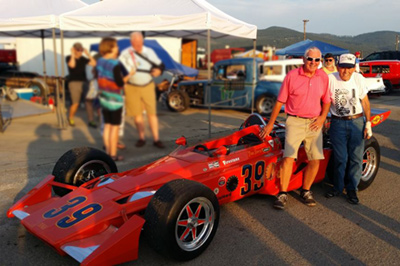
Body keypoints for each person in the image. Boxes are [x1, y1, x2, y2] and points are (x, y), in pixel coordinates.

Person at [260, 47, 331, 210]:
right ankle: (283, 193)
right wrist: (271, 123)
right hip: (295, 121)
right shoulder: (292, 76)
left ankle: (305, 191)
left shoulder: (323, 77)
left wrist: (322, 118)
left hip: (314, 122)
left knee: (315, 159)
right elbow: (280, 101)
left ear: (320, 62)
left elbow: (327, 100)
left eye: (316, 60)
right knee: (288, 158)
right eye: (310, 59)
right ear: (303, 60)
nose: (313, 62)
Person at [325, 53, 372, 204]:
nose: (346, 71)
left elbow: (365, 102)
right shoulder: (330, 79)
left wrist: (368, 123)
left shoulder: (358, 78)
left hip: (356, 121)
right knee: (341, 158)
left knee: (356, 158)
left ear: (354, 68)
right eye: (343, 67)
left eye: (349, 68)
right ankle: (337, 188)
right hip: (337, 123)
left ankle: (352, 189)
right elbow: (324, 101)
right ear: (338, 66)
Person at [119, 32, 165, 148]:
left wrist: (159, 71)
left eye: (140, 43)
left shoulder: (149, 52)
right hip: (131, 87)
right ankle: (141, 138)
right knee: (137, 114)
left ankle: (156, 139)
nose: (138, 46)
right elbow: (119, 69)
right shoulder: (125, 53)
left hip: (147, 85)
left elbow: (161, 65)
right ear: (131, 42)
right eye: (136, 43)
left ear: (142, 41)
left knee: (152, 113)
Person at [96, 37, 135, 161]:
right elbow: (119, 83)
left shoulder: (100, 61)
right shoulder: (115, 64)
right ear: (110, 48)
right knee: (114, 128)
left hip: (104, 98)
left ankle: (107, 154)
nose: (117, 48)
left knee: (107, 126)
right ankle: (113, 155)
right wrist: (129, 75)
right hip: (115, 100)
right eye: (116, 46)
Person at [66, 42, 97, 127]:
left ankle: (91, 121)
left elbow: (94, 63)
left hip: (84, 81)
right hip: (74, 82)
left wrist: (88, 54)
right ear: (74, 49)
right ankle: (71, 118)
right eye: (78, 50)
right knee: (76, 103)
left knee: (88, 101)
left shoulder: (83, 58)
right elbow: (72, 65)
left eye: (81, 50)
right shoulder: (69, 57)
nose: (80, 51)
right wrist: (72, 54)